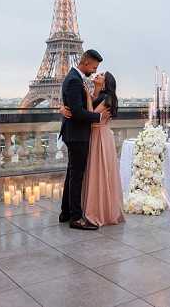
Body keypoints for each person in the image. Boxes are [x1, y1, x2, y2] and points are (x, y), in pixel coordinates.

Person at [62, 72, 125, 226]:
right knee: (90, 172)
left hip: (100, 138)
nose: (98, 74)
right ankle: (79, 208)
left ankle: (99, 210)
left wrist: (88, 97)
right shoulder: (93, 94)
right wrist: (61, 109)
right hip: (91, 137)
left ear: (106, 82)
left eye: (102, 74)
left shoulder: (106, 98)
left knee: (98, 173)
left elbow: (92, 118)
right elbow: (76, 108)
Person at [58, 50, 109, 230]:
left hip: (73, 133)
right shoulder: (74, 80)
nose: (94, 71)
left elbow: (73, 107)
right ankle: (76, 218)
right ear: (86, 63)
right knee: (76, 176)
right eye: (94, 67)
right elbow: (78, 113)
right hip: (77, 135)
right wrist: (99, 118)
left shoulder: (74, 78)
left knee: (72, 174)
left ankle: (65, 212)